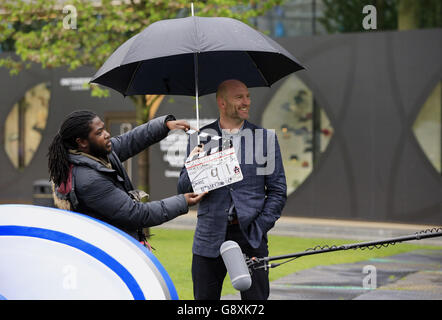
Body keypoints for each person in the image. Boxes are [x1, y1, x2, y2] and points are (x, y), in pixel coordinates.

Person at [177, 79, 287, 300]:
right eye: (239, 97)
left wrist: (260, 226)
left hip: (251, 236)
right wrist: (194, 162)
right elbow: (183, 189)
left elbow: (277, 191)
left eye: (247, 96)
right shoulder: (201, 137)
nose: (246, 102)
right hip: (208, 237)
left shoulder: (265, 138)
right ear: (222, 103)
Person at [48, 110, 205, 245]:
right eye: (99, 133)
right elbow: (136, 214)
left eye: (104, 129)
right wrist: (183, 201)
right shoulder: (89, 180)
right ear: (81, 142)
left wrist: (165, 125)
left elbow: (131, 140)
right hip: (111, 253)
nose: (107, 134)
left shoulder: (98, 152)